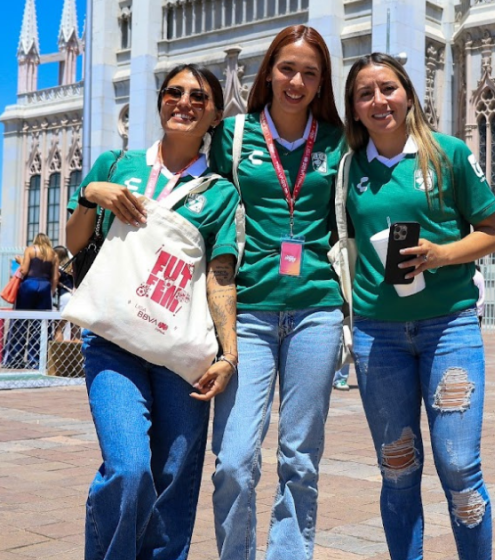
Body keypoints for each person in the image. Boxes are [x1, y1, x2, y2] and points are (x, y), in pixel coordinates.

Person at [65, 63, 239, 560]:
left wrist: (228, 355)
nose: (184, 102)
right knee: (128, 468)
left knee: (173, 482)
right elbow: (74, 244)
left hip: (180, 351)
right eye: (174, 92)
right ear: (160, 100)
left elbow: (219, 275)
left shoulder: (220, 193)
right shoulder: (117, 165)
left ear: (214, 115)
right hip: (114, 341)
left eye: (198, 98)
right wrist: (88, 193)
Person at [342, 52, 495, 559]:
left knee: (458, 466)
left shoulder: (449, 154)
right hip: (378, 334)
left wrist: (439, 255)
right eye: (365, 93)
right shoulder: (349, 168)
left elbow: (494, 233)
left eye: (387, 88)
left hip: (448, 326)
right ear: (354, 107)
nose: (378, 100)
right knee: (398, 469)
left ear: (408, 94)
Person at [208, 24, 346, 560]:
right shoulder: (233, 135)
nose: (297, 81)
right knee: (234, 462)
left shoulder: (337, 141)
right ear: (269, 72)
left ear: (320, 84)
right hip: (249, 312)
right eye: (287, 68)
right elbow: (189, 187)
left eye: (310, 73)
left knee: (300, 459)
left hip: (316, 309)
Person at [2, 233, 59, 369]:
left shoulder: (30, 250)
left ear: (36, 241)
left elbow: (25, 269)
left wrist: (20, 261)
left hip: (29, 285)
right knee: (41, 324)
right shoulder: (53, 254)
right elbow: (55, 278)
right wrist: (50, 291)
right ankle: (37, 360)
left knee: (20, 322)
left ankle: (15, 359)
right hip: (44, 286)